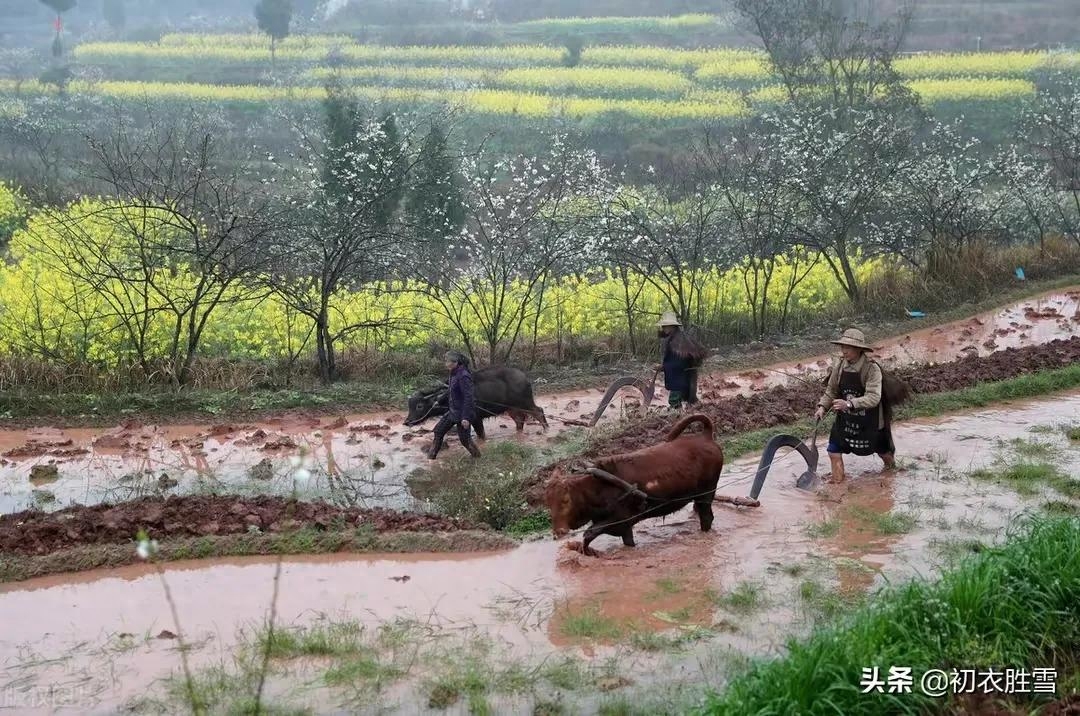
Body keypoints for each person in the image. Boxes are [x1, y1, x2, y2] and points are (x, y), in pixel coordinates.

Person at [814, 328, 896, 483]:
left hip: (870, 420)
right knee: (833, 450)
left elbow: (873, 397)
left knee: (884, 453)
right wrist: (822, 407)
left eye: (848, 347)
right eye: (842, 347)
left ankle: (891, 477)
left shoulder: (872, 369)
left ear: (859, 349)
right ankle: (838, 486)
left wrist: (850, 403)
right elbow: (831, 389)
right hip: (845, 419)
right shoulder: (839, 366)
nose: (844, 351)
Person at [428, 351, 482, 460]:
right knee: (438, 431)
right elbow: (450, 390)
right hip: (453, 411)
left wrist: (466, 417)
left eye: (447, 361)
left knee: (465, 440)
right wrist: (439, 400)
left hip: (462, 413)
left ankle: (478, 458)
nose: (445, 363)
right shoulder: (453, 373)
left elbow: (469, 398)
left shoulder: (463, 376)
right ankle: (431, 459)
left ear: (455, 362)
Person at [654, 311, 707, 411]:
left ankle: (678, 418)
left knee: (674, 402)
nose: (663, 328)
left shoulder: (677, 340)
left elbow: (679, 363)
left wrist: (663, 367)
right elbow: (675, 361)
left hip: (680, 379)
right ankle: (682, 416)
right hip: (683, 378)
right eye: (663, 326)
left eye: (666, 326)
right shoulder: (676, 338)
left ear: (672, 326)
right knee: (684, 402)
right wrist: (663, 367)